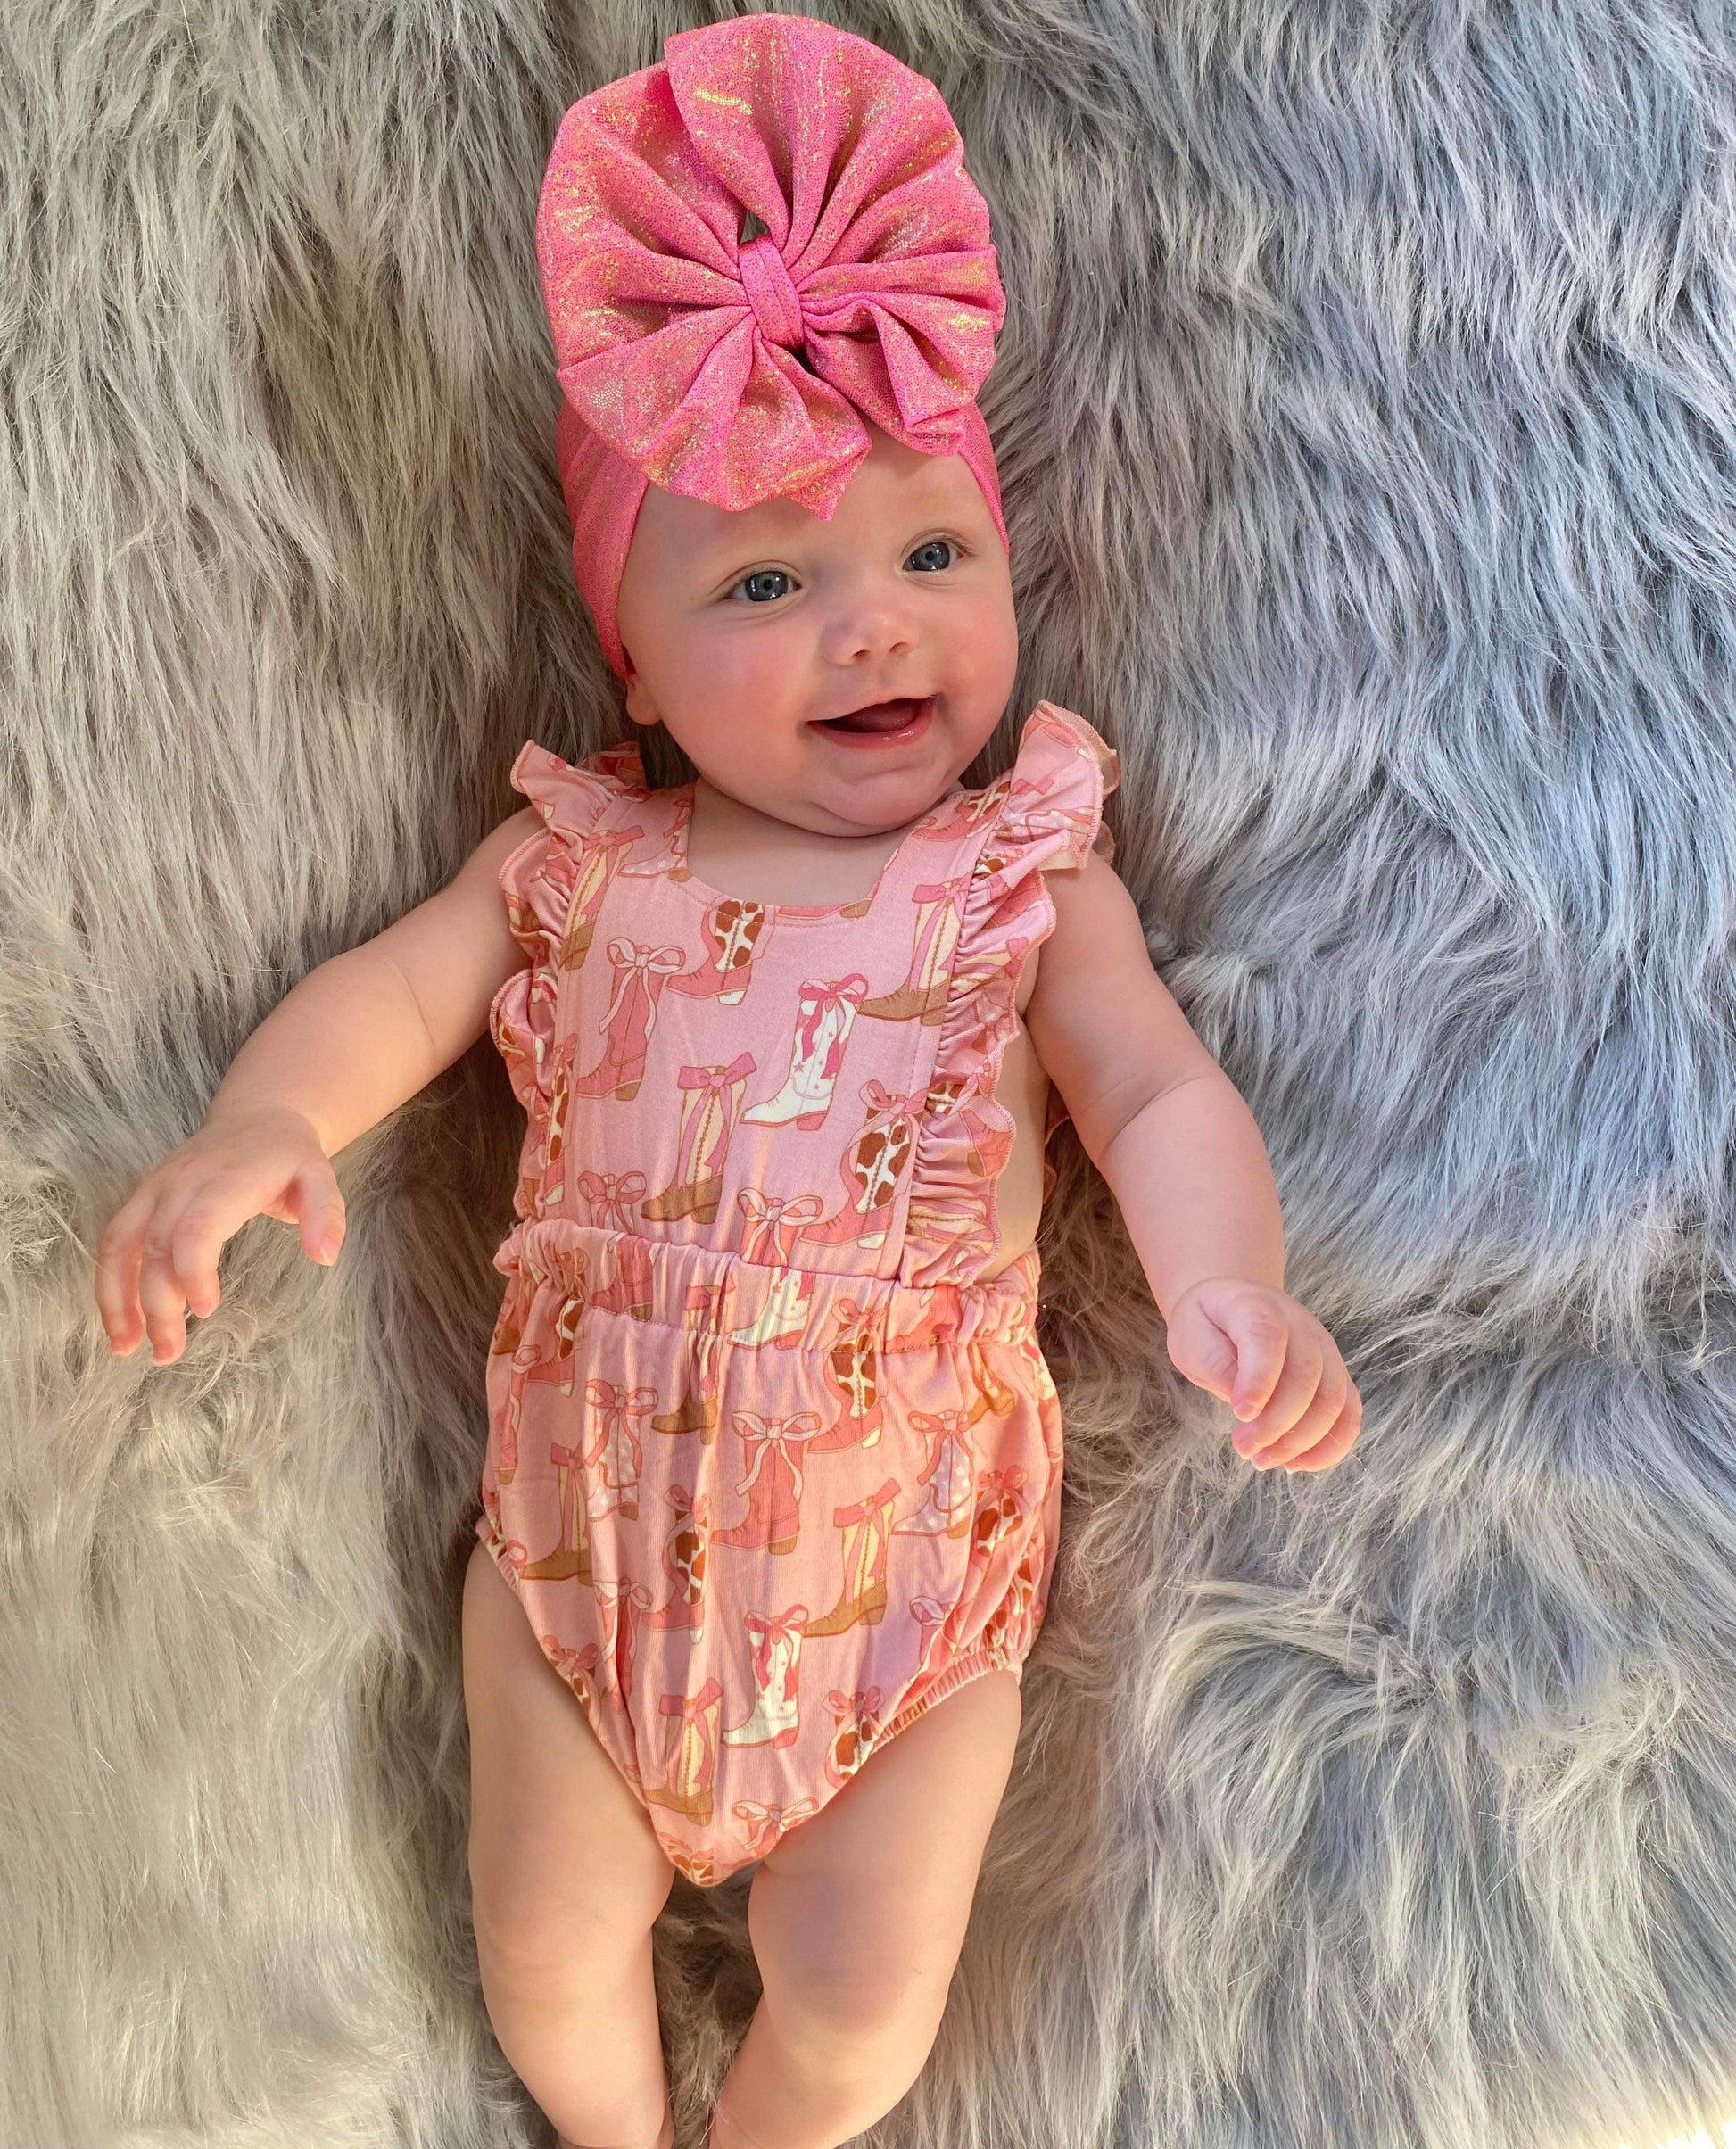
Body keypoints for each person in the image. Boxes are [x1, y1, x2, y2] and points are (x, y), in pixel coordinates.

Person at [93, 16, 1361, 2149]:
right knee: (541, 1944)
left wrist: (1229, 1280)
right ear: (637, 661)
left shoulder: (1018, 878)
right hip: (580, 1555)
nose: (875, 625)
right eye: (768, 582)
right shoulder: (578, 857)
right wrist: (264, 1125)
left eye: (933, 555)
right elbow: (390, 991)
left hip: (906, 1593)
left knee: (861, 2000)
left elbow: (1151, 1096)